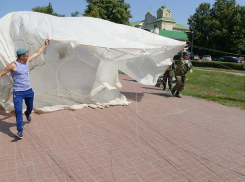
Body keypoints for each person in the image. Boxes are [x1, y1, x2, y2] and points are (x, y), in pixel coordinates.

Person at [0, 39, 50, 139]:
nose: (28, 57)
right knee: (18, 111)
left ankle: (27, 113)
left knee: (30, 108)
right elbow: (1, 74)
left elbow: (37, 53)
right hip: (18, 93)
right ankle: (20, 131)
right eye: (27, 55)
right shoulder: (13, 65)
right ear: (21, 56)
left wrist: (45, 44)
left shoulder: (26, 62)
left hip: (28, 91)